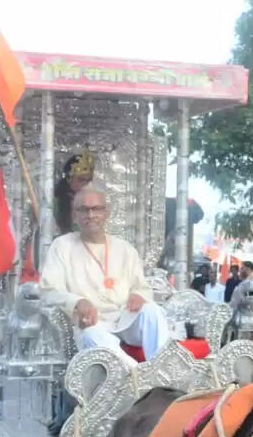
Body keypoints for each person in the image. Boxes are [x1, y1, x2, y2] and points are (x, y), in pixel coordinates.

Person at [40, 181, 169, 358]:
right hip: (92, 323)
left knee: (152, 311)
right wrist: (77, 302)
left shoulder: (125, 249)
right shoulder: (62, 246)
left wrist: (138, 296)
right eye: (84, 210)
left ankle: (162, 365)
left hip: (125, 317)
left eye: (96, 209)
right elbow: (48, 292)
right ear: (75, 215)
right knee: (92, 336)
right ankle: (136, 376)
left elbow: (141, 287)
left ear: (106, 213)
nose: (90, 215)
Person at [53, 151, 97, 235]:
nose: (85, 184)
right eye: (81, 180)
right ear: (69, 179)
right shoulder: (53, 205)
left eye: (88, 181)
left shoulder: (92, 206)